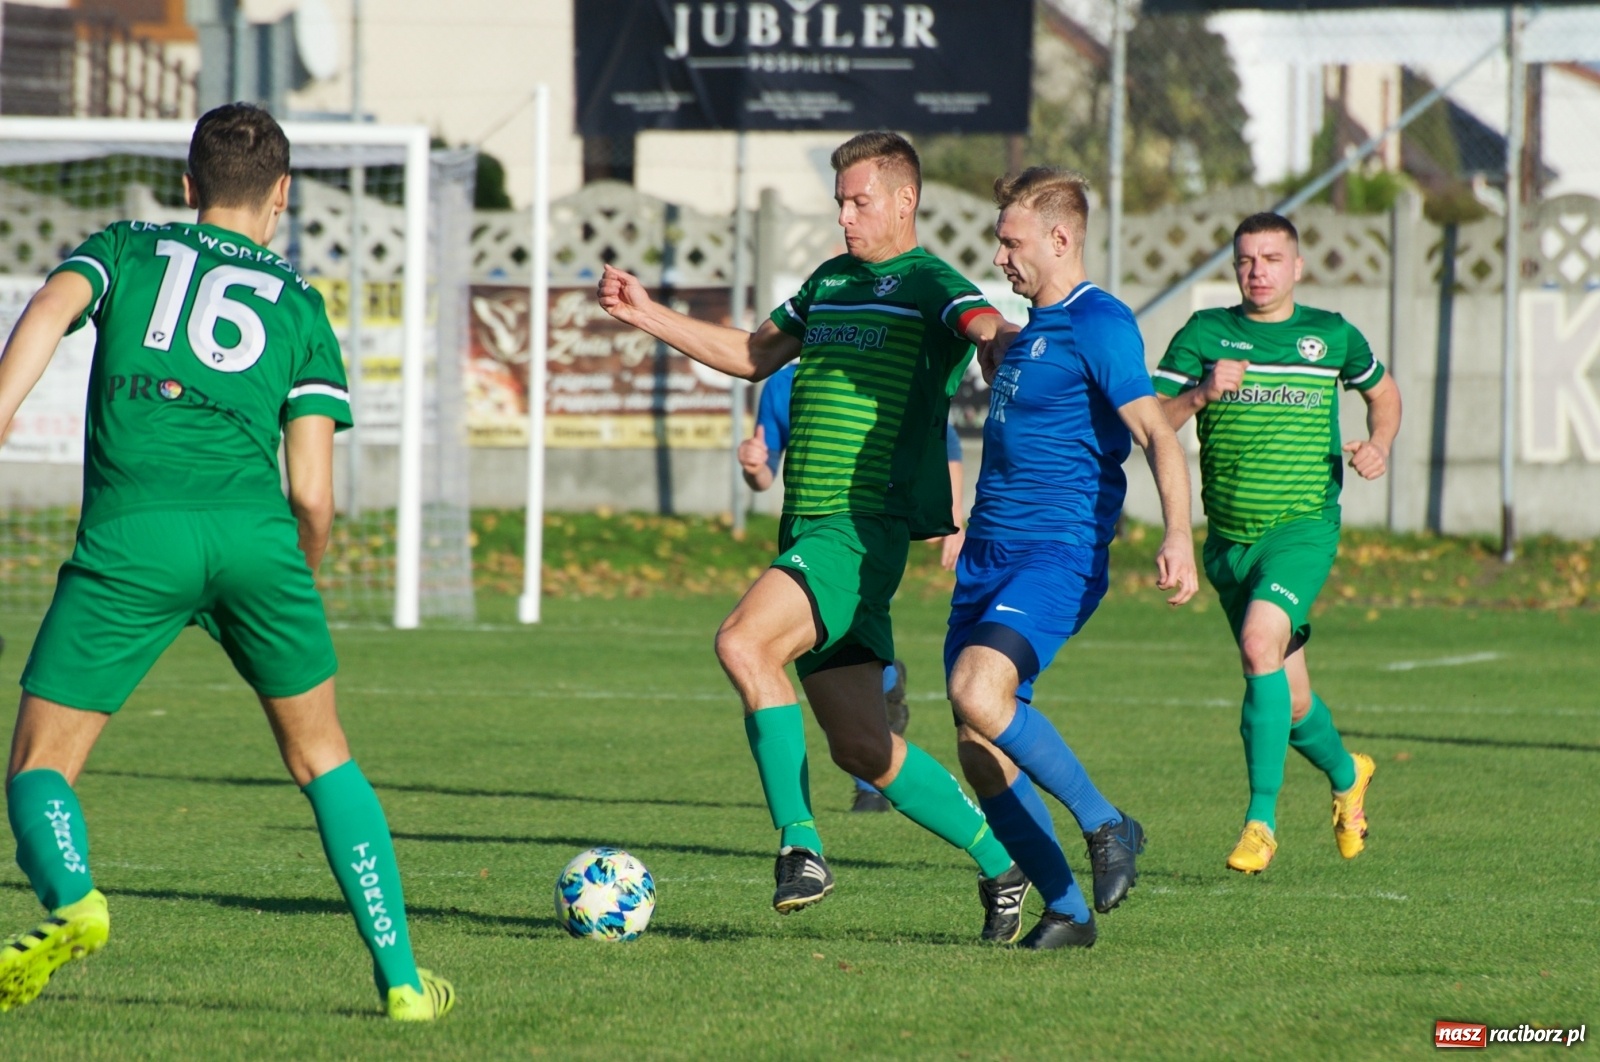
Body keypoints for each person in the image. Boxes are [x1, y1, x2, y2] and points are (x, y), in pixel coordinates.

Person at [0, 104, 453, 1019]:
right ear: (282, 195)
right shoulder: (302, 307)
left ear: (187, 186)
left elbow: (49, 307)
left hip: (136, 533)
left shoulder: (125, 247)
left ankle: (76, 900)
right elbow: (313, 495)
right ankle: (405, 981)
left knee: (39, 765)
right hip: (257, 539)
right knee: (325, 758)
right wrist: (294, 576)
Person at [600, 131, 1025, 925]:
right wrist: (647, 313)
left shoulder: (929, 282)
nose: (845, 216)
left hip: (860, 530)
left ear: (905, 200)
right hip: (812, 530)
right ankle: (1006, 865)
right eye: (839, 201)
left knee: (743, 643)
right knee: (862, 746)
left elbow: (980, 323)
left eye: (861, 201)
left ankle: (800, 845)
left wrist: (1005, 341)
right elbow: (753, 354)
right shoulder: (829, 282)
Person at [945, 168, 1198, 949]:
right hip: (986, 556)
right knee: (978, 745)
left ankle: (1106, 822)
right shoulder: (1033, 331)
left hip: (1057, 553)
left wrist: (1178, 535)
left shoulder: (1101, 322)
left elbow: (1156, 433)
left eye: (1011, 241)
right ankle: (1069, 911)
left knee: (978, 690)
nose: (1000, 257)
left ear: (1061, 238)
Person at [1154, 211, 1401, 874]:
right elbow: (1150, 422)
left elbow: (1384, 394)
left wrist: (1379, 444)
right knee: (1288, 700)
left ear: (1297, 266)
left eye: (1271, 259)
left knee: (1258, 644)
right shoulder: (1205, 334)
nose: (1257, 271)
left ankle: (1260, 823)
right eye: (1245, 260)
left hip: (1302, 530)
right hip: (1228, 542)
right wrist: (1202, 393)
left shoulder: (1331, 335)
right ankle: (1349, 774)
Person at [738, 366, 970, 812]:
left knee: (762, 645)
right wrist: (753, 466)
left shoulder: (871, 366)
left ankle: (819, 823)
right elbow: (764, 474)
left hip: (865, 535)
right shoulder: (783, 384)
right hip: (809, 539)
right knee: (837, 656)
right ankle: (886, 686)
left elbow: (947, 441)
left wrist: (953, 518)